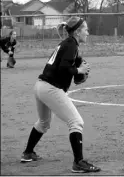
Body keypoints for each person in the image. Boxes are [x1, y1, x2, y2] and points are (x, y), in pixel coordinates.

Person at [20, 16, 101, 173]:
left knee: (44, 123)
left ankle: (28, 153)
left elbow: (65, 65)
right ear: (77, 32)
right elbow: (64, 68)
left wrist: (77, 67)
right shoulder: (71, 44)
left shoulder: (68, 44)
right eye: (85, 29)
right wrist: (79, 71)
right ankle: (78, 162)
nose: (88, 32)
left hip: (40, 86)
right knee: (76, 122)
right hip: (50, 88)